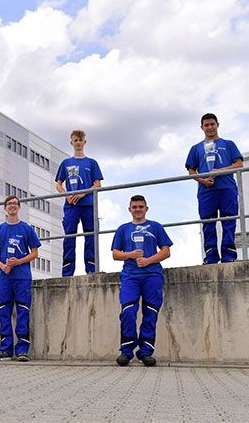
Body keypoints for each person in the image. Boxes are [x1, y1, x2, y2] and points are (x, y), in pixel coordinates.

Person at [112, 195, 172, 367]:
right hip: (130, 275)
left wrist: (148, 260)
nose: (138, 209)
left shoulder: (156, 227)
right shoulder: (123, 229)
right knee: (128, 312)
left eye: (141, 206)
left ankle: (146, 352)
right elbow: (115, 254)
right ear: (129, 209)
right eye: (134, 207)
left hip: (152, 274)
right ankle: (126, 351)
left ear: (146, 208)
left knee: (151, 312)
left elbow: (166, 251)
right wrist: (130, 255)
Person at [0, 196, 40, 362]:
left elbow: (35, 253)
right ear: (5, 208)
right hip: (4, 277)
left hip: (22, 277)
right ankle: (5, 350)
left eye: (15, 204)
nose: (12, 206)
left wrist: (18, 261)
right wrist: (2, 265)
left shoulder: (27, 229)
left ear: (19, 207)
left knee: (23, 311)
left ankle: (22, 350)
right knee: (4, 312)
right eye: (9, 204)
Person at [185, 113, 243, 264]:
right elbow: (191, 171)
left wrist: (221, 170)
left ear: (218, 124)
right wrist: (203, 180)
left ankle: (228, 255)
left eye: (212, 124)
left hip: (227, 188)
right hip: (206, 191)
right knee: (208, 222)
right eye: (206, 125)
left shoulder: (229, 144)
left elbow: (239, 165)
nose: (210, 127)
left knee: (229, 220)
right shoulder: (196, 148)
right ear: (201, 127)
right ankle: (210, 256)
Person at [55, 130, 103, 276]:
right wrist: (67, 195)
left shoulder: (92, 163)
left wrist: (83, 193)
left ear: (84, 142)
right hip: (71, 206)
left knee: (90, 236)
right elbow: (58, 184)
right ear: (71, 142)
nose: (78, 143)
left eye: (80, 140)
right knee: (69, 236)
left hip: (88, 204)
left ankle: (91, 269)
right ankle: (67, 271)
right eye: (75, 140)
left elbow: (98, 184)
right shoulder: (66, 163)